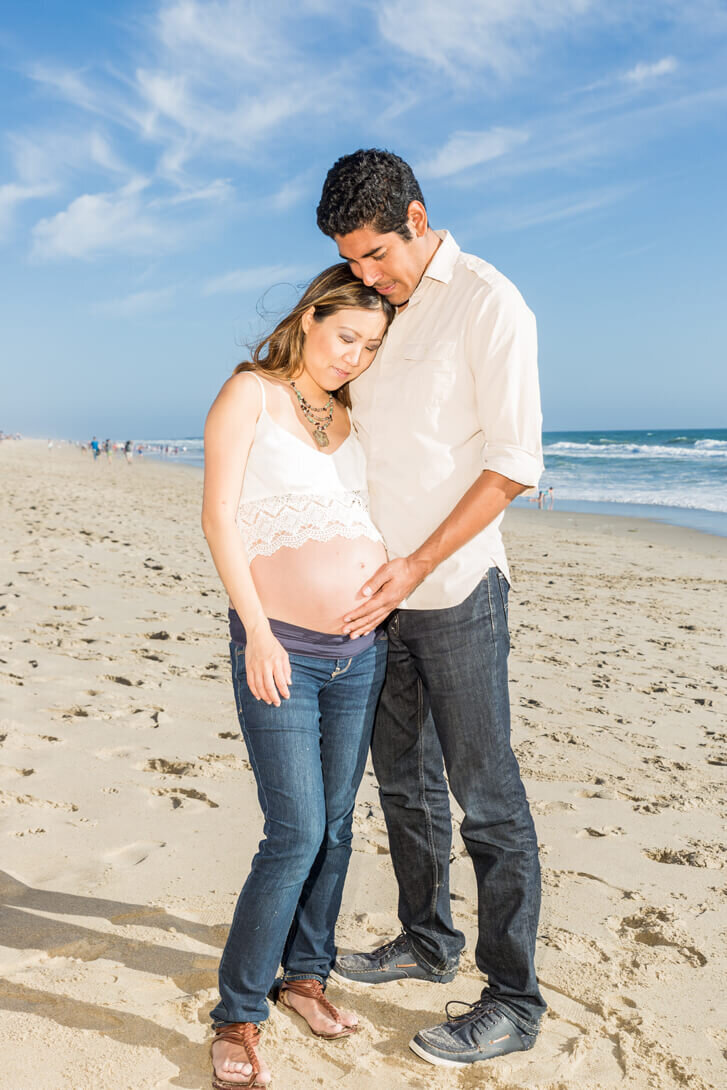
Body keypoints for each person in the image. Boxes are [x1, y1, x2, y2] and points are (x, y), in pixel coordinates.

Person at [316, 149, 546, 1070]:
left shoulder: (489, 302)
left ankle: (513, 997)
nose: (365, 275)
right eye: (353, 259)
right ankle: (424, 941)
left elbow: (511, 465)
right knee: (402, 786)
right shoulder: (377, 311)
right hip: (379, 601)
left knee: (486, 800)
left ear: (417, 216)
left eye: (376, 253)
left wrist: (415, 564)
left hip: (452, 591)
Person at [201, 263, 394, 1088]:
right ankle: (238, 1015)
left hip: (361, 654)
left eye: (371, 346)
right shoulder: (250, 391)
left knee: (340, 826)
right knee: (295, 831)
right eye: (346, 335)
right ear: (310, 317)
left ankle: (305, 975)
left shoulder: (352, 413)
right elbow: (218, 516)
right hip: (279, 645)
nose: (355, 356)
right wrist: (256, 633)